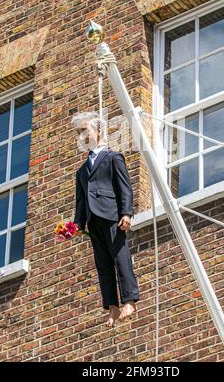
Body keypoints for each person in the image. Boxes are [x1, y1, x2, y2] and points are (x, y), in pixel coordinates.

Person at [71, 111, 140, 327]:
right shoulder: (81, 171)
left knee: (120, 257)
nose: (81, 136)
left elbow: (124, 188)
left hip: (111, 215)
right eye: (78, 133)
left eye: (85, 130)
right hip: (94, 221)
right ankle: (112, 306)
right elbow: (80, 201)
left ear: (98, 131)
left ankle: (129, 300)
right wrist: (77, 224)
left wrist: (126, 213)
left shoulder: (113, 157)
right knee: (103, 264)